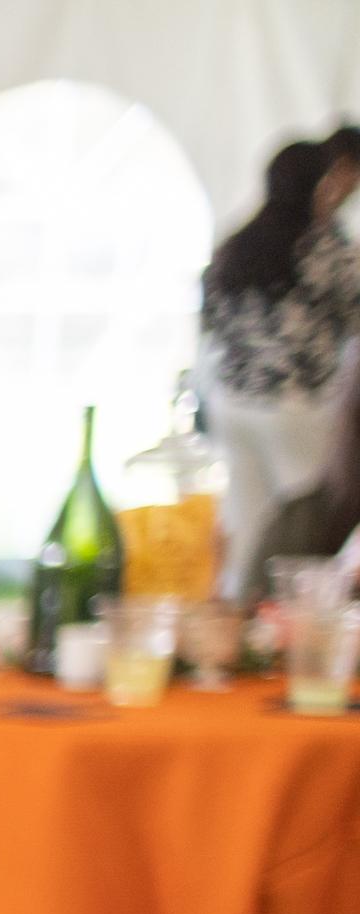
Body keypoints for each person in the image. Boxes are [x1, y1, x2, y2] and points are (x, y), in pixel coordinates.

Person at [201, 136, 360, 596]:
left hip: (233, 403)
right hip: (297, 404)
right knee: (306, 521)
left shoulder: (236, 243)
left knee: (246, 521)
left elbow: (209, 319)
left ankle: (241, 617)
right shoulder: (320, 245)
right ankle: (302, 616)